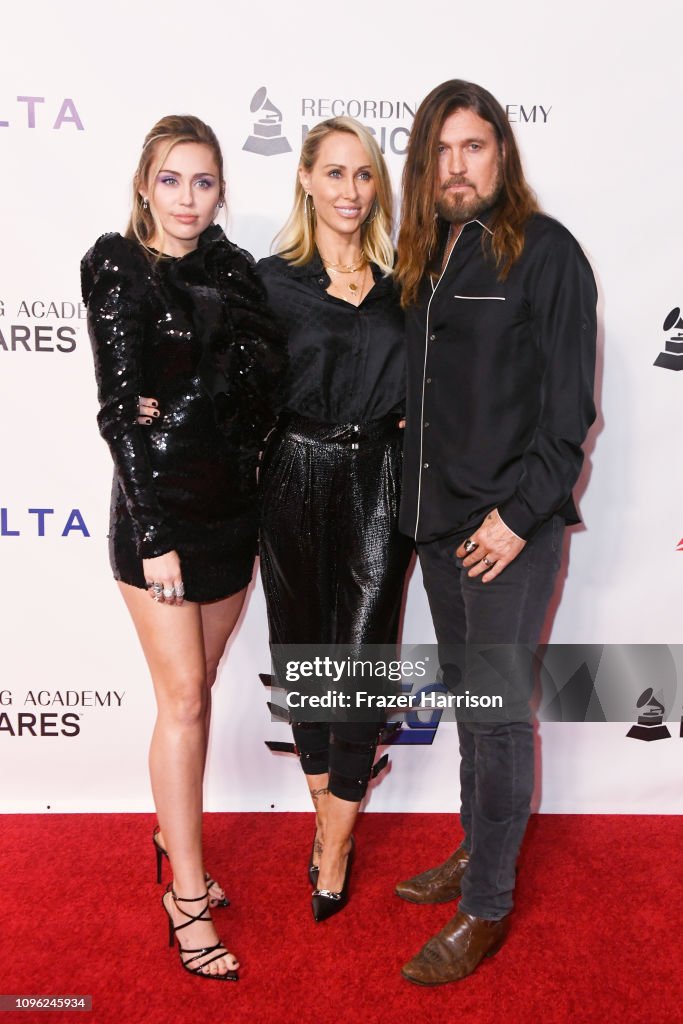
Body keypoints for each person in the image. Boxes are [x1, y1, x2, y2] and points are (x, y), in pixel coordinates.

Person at [393, 80, 597, 984]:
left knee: (498, 720)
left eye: (472, 147)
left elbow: (569, 416)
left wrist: (516, 520)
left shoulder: (546, 252)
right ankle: (477, 851)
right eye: (440, 151)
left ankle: (487, 908)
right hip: (438, 528)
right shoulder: (423, 254)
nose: (456, 167)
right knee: (472, 717)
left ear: (501, 153)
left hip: (507, 530)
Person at [81, 115, 284, 981]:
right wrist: (155, 537)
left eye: (202, 182)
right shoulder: (118, 267)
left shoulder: (238, 273)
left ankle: (173, 828)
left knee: (196, 687)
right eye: (171, 180)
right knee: (186, 704)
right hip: (157, 522)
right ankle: (187, 895)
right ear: (144, 185)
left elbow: (254, 394)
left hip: (231, 515)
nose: (187, 199)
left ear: (220, 190)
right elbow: (118, 413)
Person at [256, 116, 413, 921]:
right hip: (290, 474)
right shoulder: (269, 281)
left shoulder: (403, 285)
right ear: (307, 180)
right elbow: (233, 391)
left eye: (363, 176)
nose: (350, 191)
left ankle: (336, 838)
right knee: (304, 657)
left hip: (376, 481)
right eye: (335, 174)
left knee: (358, 661)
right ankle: (331, 823)